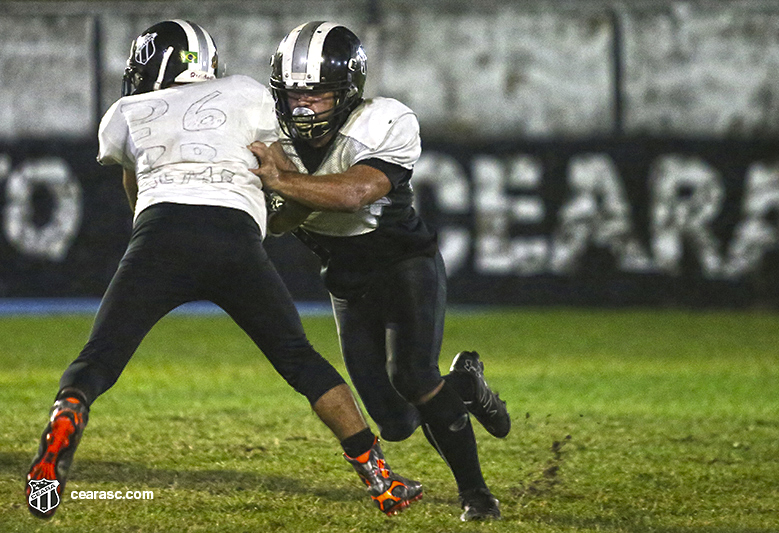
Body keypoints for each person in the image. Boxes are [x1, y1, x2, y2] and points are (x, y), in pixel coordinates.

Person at [25, 19, 422, 520]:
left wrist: (152, 247)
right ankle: (380, 480)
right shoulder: (247, 93)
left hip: (160, 233)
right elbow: (278, 167)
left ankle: (69, 411)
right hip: (233, 236)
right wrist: (278, 211)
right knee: (300, 360)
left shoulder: (125, 111)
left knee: (100, 354)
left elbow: (135, 187)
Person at [249, 21, 510, 521]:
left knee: (412, 375)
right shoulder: (268, 132)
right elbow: (279, 224)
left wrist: (282, 179)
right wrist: (277, 197)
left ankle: (477, 495)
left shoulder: (385, 119)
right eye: (295, 95)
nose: (304, 107)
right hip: (344, 279)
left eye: (319, 94)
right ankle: (464, 384)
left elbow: (354, 193)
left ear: (348, 91)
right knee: (394, 421)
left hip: (403, 262)